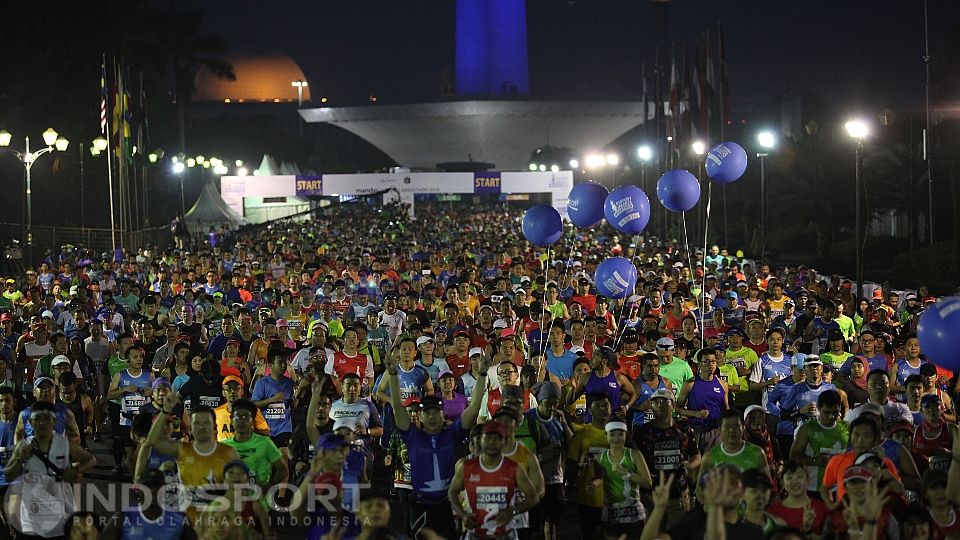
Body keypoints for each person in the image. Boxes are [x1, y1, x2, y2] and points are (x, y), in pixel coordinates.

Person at [384, 348, 487, 539]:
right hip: (420, 504)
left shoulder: (451, 434)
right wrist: (392, 374)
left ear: (443, 414)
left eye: (436, 412)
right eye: (427, 413)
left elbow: (474, 407)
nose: (432, 416)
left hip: (445, 504)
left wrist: (481, 374)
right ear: (420, 416)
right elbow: (397, 406)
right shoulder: (412, 436)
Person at [4, 400, 97, 538]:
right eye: (37, 419)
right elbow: (8, 476)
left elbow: (91, 460)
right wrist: (20, 460)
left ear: (54, 421)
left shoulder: (65, 444)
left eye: (47, 419)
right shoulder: (23, 446)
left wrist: (75, 470)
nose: (42, 423)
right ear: (30, 422)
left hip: (60, 516)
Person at [145, 392, 239, 521]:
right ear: (191, 427)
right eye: (196, 423)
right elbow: (153, 441)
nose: (201, 427)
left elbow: (238, 493)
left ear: (215, 426)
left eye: (206, 423)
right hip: (186, 524)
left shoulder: (229, 453)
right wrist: (165, 411)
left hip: (216, 526)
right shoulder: (182, 449)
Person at [449, 420, 541, 540]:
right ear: (480, 440)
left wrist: (512, 511)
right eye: (488, 437)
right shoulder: (466, 467)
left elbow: (533, 496)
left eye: (497, 438)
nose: (492, 442)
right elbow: (452, 492)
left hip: (505, 535)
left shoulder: (515, 468)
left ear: (504, 442)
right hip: (475, 534)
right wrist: (463, 515)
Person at [632, 388, 700, 531]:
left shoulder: (685, 430)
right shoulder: (642, 433)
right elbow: (635, 460)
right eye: (656, 402)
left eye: (665, 401)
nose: (660, 405)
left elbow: (696, 455)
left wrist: (691, 465)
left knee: (678, 533)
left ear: (673, 406)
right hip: (651, 495)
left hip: (678, 493)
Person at [640, 465, 764, 540]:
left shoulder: (753, 530)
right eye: (722, 482)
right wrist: (659, 509)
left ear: (742, 490)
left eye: (733, 482)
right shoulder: (695, 521)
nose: (727, 488)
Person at [820, 414, 902, 509]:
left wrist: (882, 465)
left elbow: (898, 490)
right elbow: (825, 486)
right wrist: (830, 504)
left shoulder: (885, 463)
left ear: (875, 439)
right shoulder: (837, 460)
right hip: (847, 516)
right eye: (856, 434)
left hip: (875, 515)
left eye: (866, 436)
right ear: (850, 437)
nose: (860, 440)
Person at [101, 468, 195, 540]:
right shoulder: (124, 517)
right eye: (148, 486)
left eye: (156, 485)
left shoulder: (179, 518)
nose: (152, 490)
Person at [222, 398, 288, 498]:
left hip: (260, 502)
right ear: (231, 420)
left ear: (253, 421)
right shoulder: (224, 446)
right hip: (233, 502)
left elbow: (283, 470)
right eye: (238, 417)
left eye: (246, 417)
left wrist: (268, 486)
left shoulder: (265, 443)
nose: (241, 420)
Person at [568, 391, 613, 539]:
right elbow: (571, 469)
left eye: (605, 405)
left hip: (614, 498)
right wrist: (580, 464)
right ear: (590, 410)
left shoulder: (619, 434)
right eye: (598, 405)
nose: (602, 409)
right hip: (587, 499)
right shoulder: (581, 435)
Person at [597, 421, 652, 540]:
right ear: (605, 435)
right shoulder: (600, 458)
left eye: (620, 434)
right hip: (611, 516)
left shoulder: (634, 454)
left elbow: (648, 483)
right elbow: (599, 479)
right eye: (612, 434)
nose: (616, 438)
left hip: (634, 516)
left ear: (626, 435)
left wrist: (627, 473)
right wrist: (593, 484)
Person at [789, 389, 849, 494]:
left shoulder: (846, 428)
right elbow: (793, 455)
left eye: (835, 412)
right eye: (827, 412)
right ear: (818, 408)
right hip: (814, 488)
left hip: (839, 487)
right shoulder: (808, 428)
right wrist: (815, 461)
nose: (831, 417)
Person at [105, 344, 153, 476]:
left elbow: (161, 395)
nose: (139, 359)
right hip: (126, 421)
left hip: (144, 422)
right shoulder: (120, 376)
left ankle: (141, 478)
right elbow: (109, 395)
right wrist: (124, 389)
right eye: (135, 357)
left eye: (141, 357)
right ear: (128, 360)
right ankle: (135, 481)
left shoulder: (150, 376)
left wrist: (153, 393)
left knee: (141, 452)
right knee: (131, 454)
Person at [676, 348, 728, 451]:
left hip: (716, 431)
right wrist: (696, 414)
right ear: (700, 363)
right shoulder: (689, 384)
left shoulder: (723, 385)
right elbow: (678, 409)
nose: (711, 364)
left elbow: (726, 409)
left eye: (713, 361)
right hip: (695, 430)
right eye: (706, 362)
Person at [251, 345, 296, 455]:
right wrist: (271, 400)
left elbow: (290, 402)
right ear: (270, 365)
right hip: (265, 429)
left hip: (284, 429)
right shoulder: (262, 384)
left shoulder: (290, 383)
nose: (283, 365)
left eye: (285, 362)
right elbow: (253, 404)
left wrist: (294, 402)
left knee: (283, 457)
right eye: (280, 362)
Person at [766, 460, 829, 536]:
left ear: (808, 480)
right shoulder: (773, 511)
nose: (795, 481)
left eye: (799, 476)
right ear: (782, 482)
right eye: (789, 478)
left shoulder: (821, 508)